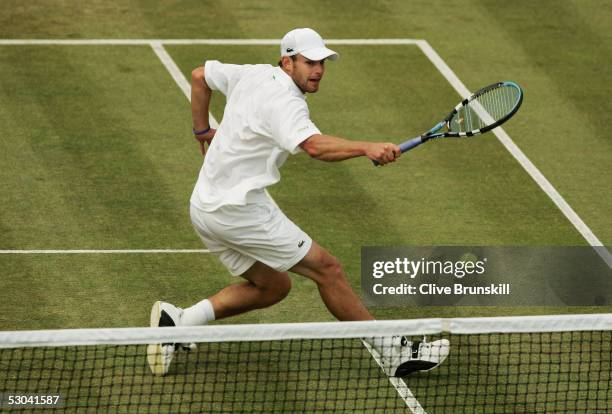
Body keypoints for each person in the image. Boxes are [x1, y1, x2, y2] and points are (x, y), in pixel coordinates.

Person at [147, 28, 449, 377]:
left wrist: (201, 131)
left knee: (274, 286)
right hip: (239, 211)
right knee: (328, 270)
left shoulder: (255, 73)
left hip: (204, 206)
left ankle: (180, 321)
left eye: (321, 62)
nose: (318, 70)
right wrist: (366, 147)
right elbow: (314, 146)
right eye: (309, 62)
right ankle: (392, 349)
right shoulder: (286, 103)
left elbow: (201, 76)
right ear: (287, 62)